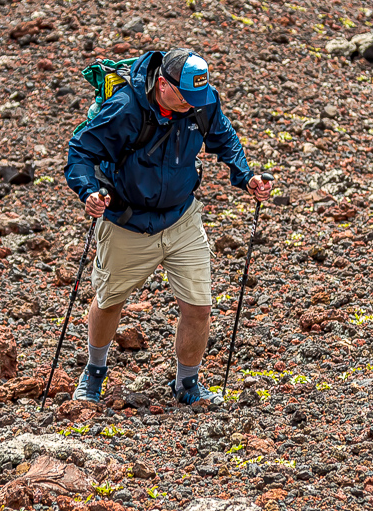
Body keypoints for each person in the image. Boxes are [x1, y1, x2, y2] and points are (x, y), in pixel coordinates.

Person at [64, 48, 271, 406]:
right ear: (162, 84)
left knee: (198, 307)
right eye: (185, 97)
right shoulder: (125, 109)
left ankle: (187, 384)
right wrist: (89, 192)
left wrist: (246, 177)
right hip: (128, 221)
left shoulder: (201, 100)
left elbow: (224, 138)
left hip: (181, 217)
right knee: (110, 301)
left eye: (197, 97)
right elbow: (80, 152)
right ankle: (94, 371)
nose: (193, 105)